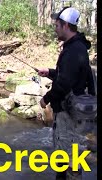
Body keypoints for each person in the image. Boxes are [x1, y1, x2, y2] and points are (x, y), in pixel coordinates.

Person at [37, 7, 96, 180]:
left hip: (68, 115)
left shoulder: (73, 50)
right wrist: (49, 72)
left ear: (66, 26)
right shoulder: (77, 47)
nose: (55, 29)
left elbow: (64, 84)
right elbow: (71, 75)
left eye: (57, 25)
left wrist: (45, 99)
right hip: (73, 113)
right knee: (70, 158)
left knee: (66, 161)